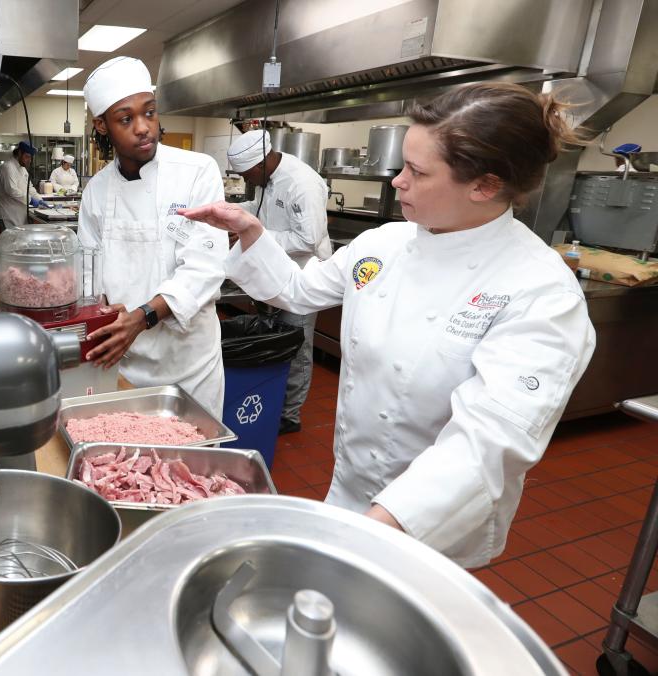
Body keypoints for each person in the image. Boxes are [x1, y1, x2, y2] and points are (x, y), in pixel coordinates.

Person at [179, 82, 596, 567]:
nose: (397, 181)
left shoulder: (540, 291)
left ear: (484, 185)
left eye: (417, 172)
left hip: (431, 527)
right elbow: (298, 291)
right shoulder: (385, 244)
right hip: (350, 491)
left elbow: (486, 446)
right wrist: (249, 229)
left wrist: (371, 530)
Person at [78, 56, 228, 418]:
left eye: (150, 113)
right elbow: (86, 268)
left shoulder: (197, 171)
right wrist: (100, 309)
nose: (143, 128)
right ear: (102, 126)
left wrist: (143, 316)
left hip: (188, 364)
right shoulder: (96, 191)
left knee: (191, 468)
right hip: (124, 361)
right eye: (126, 119)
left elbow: (206, 266)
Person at [227, 130, 332, 434]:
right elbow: (261, 211)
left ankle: (290, 414)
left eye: (248, 175)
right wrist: (231, 212)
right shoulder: (267, 178)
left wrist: (254, 234)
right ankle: (272, 397)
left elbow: (308, 239)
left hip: (303, 276)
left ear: (260, 163)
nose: (248, 180)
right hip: (274, 271)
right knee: (274, 340)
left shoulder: (302, 182)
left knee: (296, 344)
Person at [0, 141, 45, 228]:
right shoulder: (8, 167)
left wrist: (40, 200)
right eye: (27, 157)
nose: (29, 160)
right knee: (9, 241)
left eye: (30, 157)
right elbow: (11, 190)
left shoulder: (22, 168)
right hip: (7, 215)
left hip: (20, 215)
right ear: (19, 153)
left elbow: (30, 188)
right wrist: (31, 200)